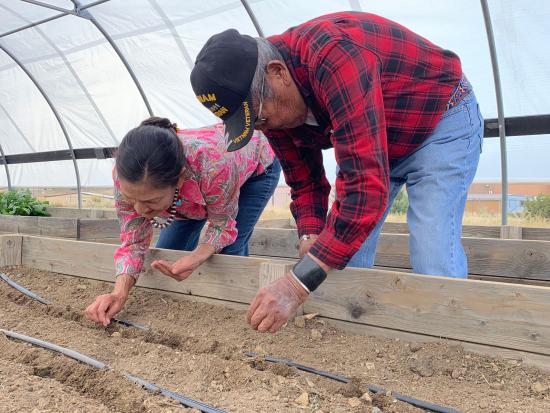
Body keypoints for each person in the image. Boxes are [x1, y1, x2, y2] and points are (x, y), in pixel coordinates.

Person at [190, 12, 483, 333]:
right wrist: (310, 234)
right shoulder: (270, 106)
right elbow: (304, 181)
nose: (263, 128)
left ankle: (452, 341)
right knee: (343, 256)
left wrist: (295, 285)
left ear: (278, 74)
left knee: (433, 251)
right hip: (381, 138)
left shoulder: (333, 58)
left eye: (259, 119)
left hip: (440, 118)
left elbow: (364, 191)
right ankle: (355, 333)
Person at [85, 117, 280, 326]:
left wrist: (197, 257)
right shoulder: (126, 177)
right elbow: (134, 243)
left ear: (179, 179)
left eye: (151, 201)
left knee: (229, 251)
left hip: (256, 167)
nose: (140, 210)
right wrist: (118, 293)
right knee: (168, 255)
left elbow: (222, 225)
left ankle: (243, 313)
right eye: (132, 199)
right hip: (194, 189)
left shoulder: (214, 165)